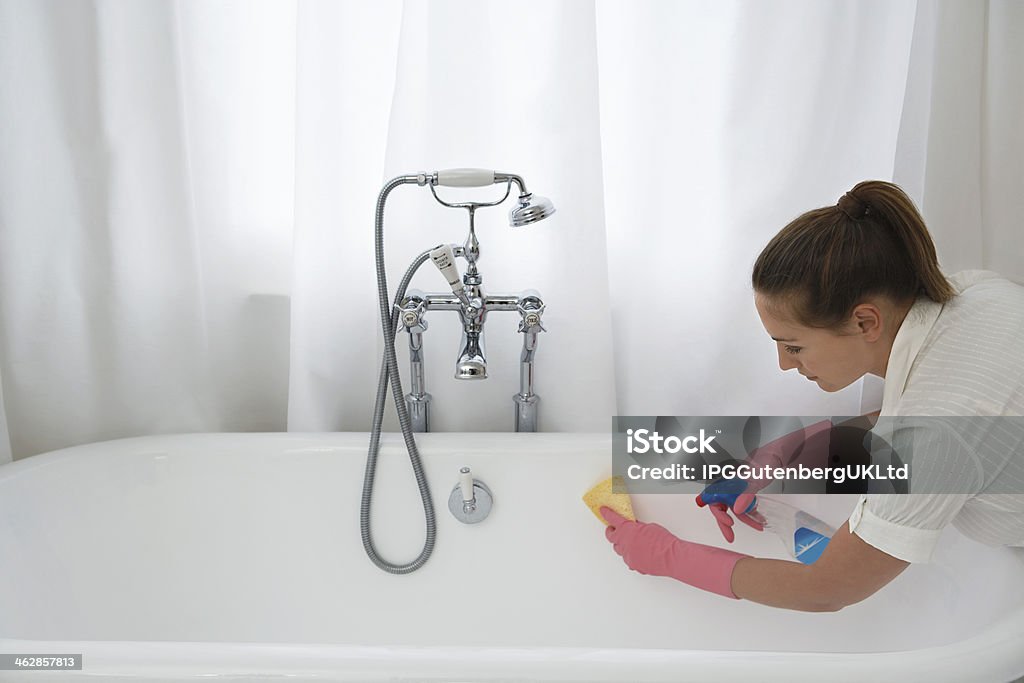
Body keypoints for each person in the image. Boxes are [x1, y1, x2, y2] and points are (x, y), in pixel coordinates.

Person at [601, 180, 1024, 611]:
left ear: (865, 322)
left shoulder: (934, 436)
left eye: (794, 346)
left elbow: (829, 588)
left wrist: (670, 557)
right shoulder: (976, 296)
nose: (785, 364)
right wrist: (799, 452)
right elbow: (961, 415)